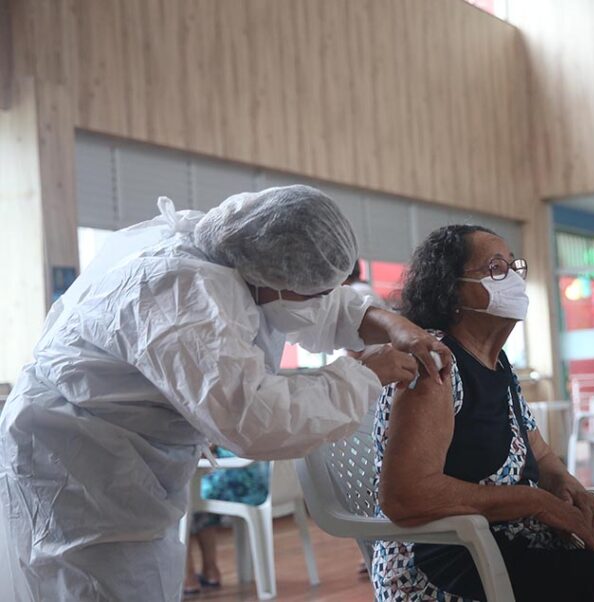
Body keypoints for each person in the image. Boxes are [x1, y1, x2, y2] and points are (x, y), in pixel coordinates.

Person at [0, 185, 451, 601]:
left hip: (117, 467)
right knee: (97, 587)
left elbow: (325, 304)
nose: (325, 300)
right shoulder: (182, 292)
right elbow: (254, 419)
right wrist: (364, 376)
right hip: (75, 474)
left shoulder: (241, 257)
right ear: (272, 277)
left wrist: (393, 324)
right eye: (315, 290)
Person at [372, 225, 594, 602]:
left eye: (513, 266)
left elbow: (538, 452)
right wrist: (535, 502)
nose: (511, 279)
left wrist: (563, 483)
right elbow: (406, 495)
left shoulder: (498, 363)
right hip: (443, 555)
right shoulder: (435, 364)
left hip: (513, 535)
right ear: (452, 290)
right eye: (495, 268)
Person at [182, 447, 268, 596]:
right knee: (196, 492)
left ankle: (187, 575)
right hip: (262, 478)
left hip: (236, 477)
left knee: (185, 499)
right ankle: (210, 570)